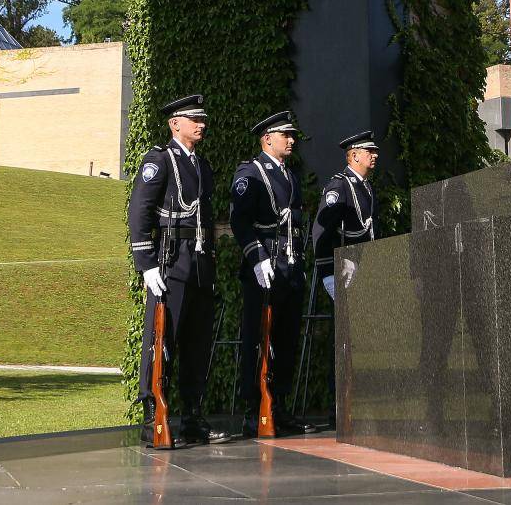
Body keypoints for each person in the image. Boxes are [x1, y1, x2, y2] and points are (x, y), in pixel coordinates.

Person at [129, 94, 225, 447]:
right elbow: (140, 212)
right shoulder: (160, 160)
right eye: (193, 118)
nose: (201, 124)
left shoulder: (201, 165)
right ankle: (153, 414)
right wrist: (147, 264)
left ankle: (193, 415)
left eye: (203, 118)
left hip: (199, 263)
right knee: (161, 339)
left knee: (197, 343)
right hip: (170, 262)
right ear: (175, 124)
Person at [229, 110, 308, 437]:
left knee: (286, 338)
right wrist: (257, 257)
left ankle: (278, 405)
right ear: (267, 139)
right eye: (284, 135)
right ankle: (254, 407)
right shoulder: (252, 173)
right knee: (259, 339)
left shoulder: (290, 175)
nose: (291, 141)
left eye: (292, 135)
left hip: (288, 267)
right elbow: (240, 221)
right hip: (264, 267)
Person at [313, 131, 379, 301]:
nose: (375, 155)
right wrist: (328, 274)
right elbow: (322, 231)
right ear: (355, 155)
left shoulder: (367, 187)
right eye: (369, 151)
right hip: (346, 271)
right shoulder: (340, 185)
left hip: (367, 270)